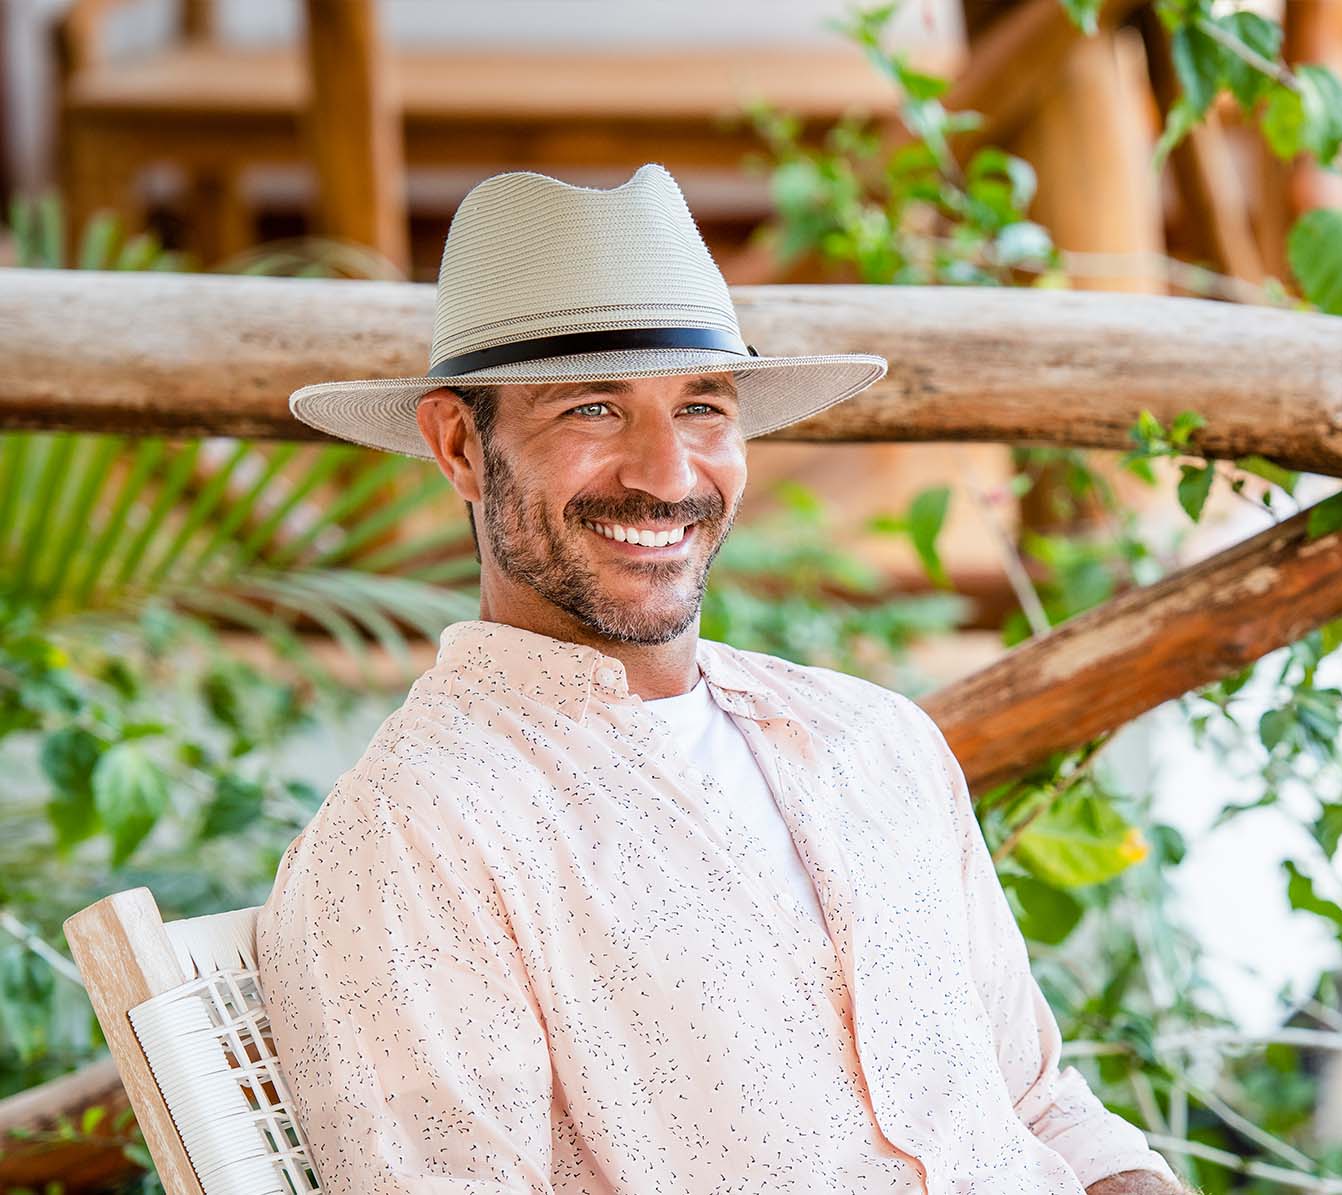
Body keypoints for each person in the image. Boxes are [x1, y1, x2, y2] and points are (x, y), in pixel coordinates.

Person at [256, 163, 1187, 1195]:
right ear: (460, 446)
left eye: (701, 405)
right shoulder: (420, 836)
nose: (666, 474)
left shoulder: (871, 739)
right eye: (593, 409)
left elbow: (1034, 1105)